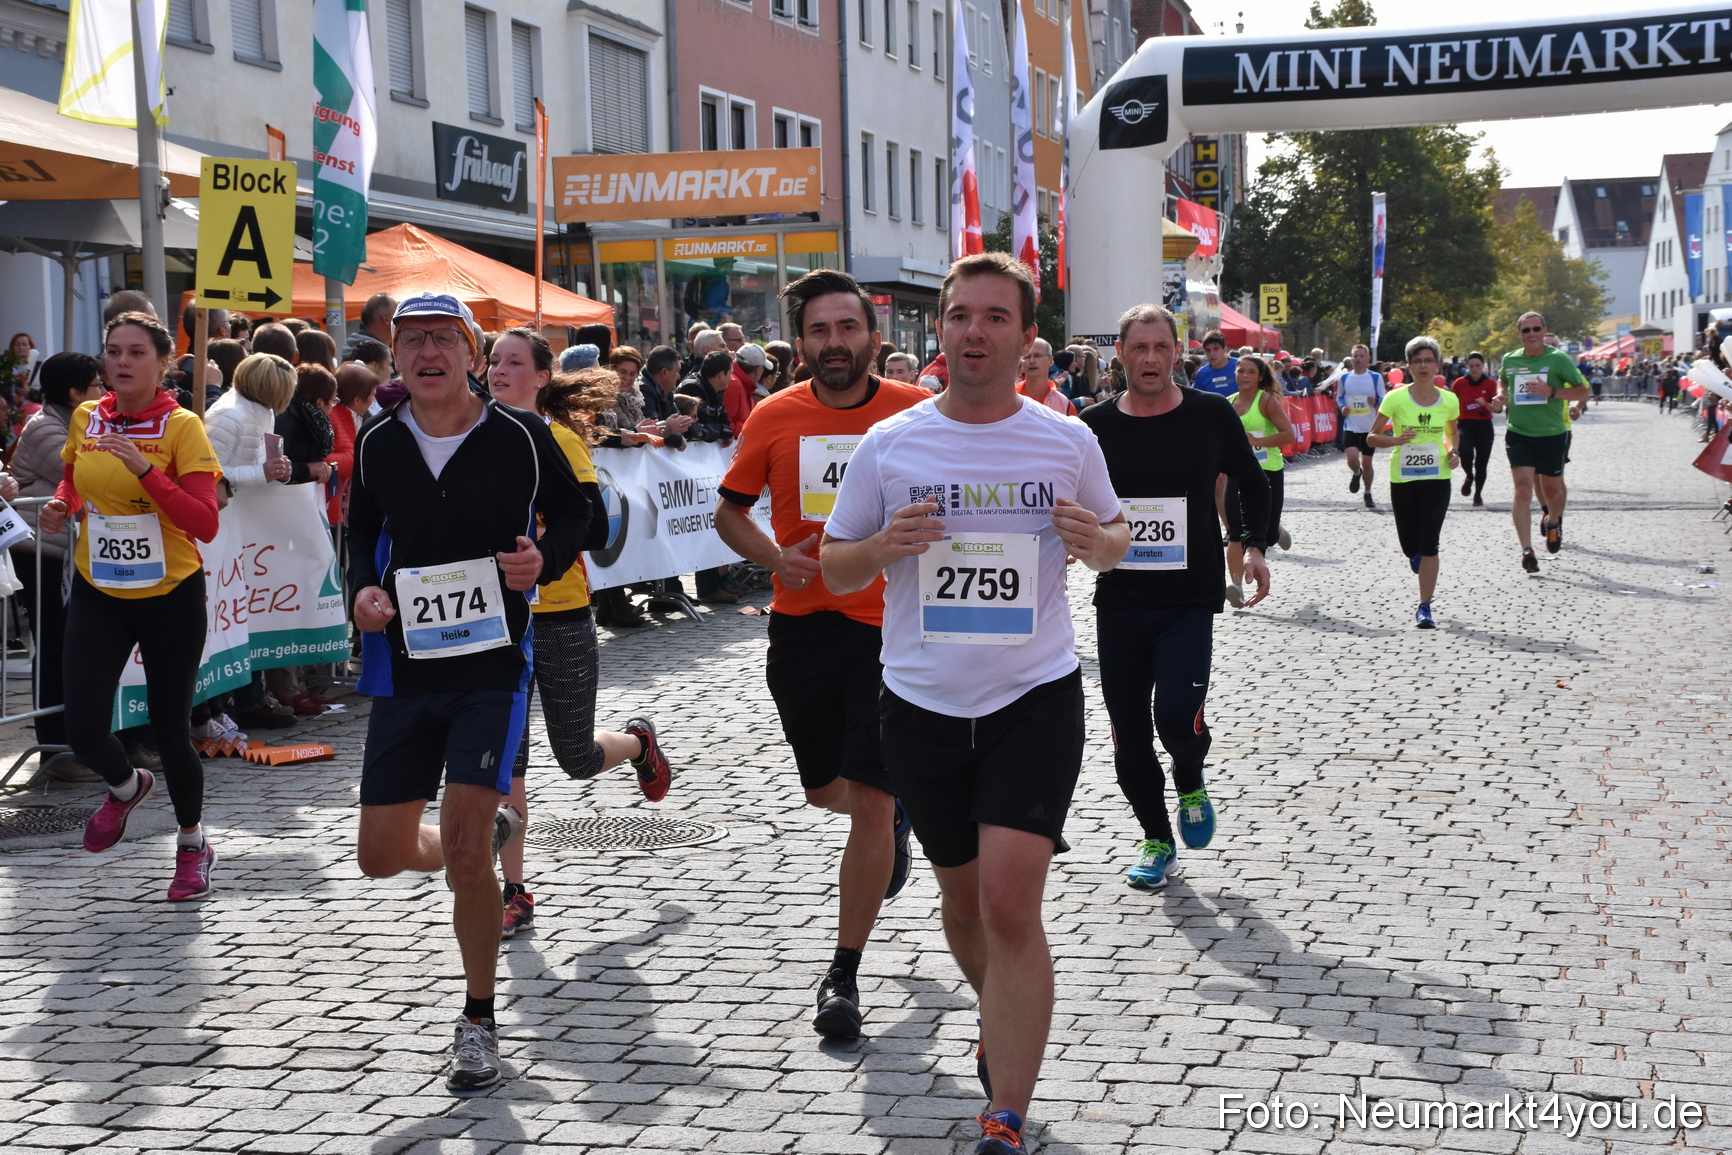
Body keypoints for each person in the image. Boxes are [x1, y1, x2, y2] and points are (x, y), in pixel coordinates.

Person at [821, 252, 1128, 1155]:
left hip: (1032, 695)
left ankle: (1004, 1113)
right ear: (939, 330)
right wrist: (883, 543)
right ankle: (998, 1011)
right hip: (918, 702)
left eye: (997, 317)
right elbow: (834, 565)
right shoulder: (892, 444)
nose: (975, 332)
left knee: (1006, 902)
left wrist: (1093, 537)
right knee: (961, 904)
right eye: (960, 316)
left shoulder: (1064, 440)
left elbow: (1116, 537)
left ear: (1026, 338)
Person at [347, 293, 590, 1092]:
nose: (426, 353)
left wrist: (542, 561)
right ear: (396, 357)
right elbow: (360, 533)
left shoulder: (522, 436)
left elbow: (581, 513)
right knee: (380, 855)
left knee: (460, 857)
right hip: (408, 669)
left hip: (491, 665)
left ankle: (478, 1019)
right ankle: (482, 841)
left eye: (443, 340)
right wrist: (361, 594)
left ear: (472, 354)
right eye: (411, 341)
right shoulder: (379, 442)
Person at [714, 269, 928, 1040]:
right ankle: (897, 816)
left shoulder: (915, 413)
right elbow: (728, 513)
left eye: (847, 328)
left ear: (874, 336)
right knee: (824, 790)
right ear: (799, 342)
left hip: (892, 629)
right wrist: (775, 558)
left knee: (866, 800)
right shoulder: (775, 415)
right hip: (803, 628)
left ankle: (843, 970)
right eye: (819, 331)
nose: (834, 343)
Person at [485, 330, 673, 938]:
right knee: (502, 761)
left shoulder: (560, 438)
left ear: (542, 377)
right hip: (495, 623)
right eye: (492, 361)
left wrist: (541, 547)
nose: (499, 370)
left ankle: (639, 743)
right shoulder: (471, 439)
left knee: (577, 757)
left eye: (514, 361)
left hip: (560, 614)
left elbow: (592, 522)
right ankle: (514, 890)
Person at [1080, 304, 1271, 892]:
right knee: (1128, 729)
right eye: (1138, 348)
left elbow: (1253, 480)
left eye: (1161, 348)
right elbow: (1069, 492)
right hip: (1121, 597)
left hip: (1189, 598)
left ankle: (1190, 774)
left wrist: (1255, 545)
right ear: (1120, 353)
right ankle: (1156, 838)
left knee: (1176, 723)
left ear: (1176, 352)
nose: (1150, 359)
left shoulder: (1210, 414)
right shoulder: (1094, 424)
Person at [37, 312, 224, 900]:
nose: (120, 362)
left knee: (171, 731)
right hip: (101, 587)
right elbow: (72, 478)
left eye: (136, 352)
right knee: (84, 727)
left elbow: (205, 522)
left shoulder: (182, 426)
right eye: (112, 351)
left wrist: (145, 470)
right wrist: (61, 506)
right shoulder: (89, 418)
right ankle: (124, 787)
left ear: (162, 362)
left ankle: (192, 845)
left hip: (170, 592)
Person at [9, 352, 108, 771]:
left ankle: (83, 739)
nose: (105, 393)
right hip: (43, 555)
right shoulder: (47, 428)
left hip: (71, 552)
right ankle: (55, 745)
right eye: (97, 387)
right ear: (74, 393)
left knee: (76, 646)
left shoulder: (75, 422)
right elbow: (92, 471)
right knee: (53, 647)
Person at [1368, 336, 1460, 627]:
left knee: (1430, 541)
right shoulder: (1395, 398)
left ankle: (1425, 607)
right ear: (1408, 366)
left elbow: (1451, 435)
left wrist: (1453, 452)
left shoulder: (1449, 399)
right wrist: (1396, 439)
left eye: (1428, 360)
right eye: (1417, 361)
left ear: (1437, 365)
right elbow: (1372, 437)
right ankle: (1416, 554)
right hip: (1404, 478)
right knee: (1411, 545)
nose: (1423, 366)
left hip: (1438, 477)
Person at [1496, 311, 1589, 571]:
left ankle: (1553, 522)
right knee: (1523, 490)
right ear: (1519, 334)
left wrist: (1553, 392)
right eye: (1526, 330)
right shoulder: (1510, 359)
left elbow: (1583, 390)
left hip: (1552, 433)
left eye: (1536, 329)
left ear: (1543, 330)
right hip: (1519, 433)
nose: (1531, 334)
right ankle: (1527, 550)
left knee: (1553, 491)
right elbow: (1503, 379)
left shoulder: (1558, 359)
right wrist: (1501, 395)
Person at [1222, 355, 1295, 607]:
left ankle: (1276, 531)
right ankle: (1236, 586)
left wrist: (1255, 441)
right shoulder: (1228, 404)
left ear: (1260, 376)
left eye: (1250, 372)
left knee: (1267, 536)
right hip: (1238, 474)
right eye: (1240, 371)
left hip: (1267, 472)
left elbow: (1288, 434)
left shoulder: (1266, 401)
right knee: (1234, 532)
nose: (1243, 375)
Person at [1336, 344, 1386, 508]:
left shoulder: (1375, 377)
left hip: (1369, 427)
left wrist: (1376, 401)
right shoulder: (1344, 378)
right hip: (1350, 425)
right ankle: (1356, 473)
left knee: (1367, 463)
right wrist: (1342, 407)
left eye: (1360, 356)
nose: (1357, 359)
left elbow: (1383, 399)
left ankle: (1368, 492)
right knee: (1351, 458)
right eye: (1354, 356)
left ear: (1367, 359)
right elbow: (1340, 397)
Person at [1449, 352, 1500, 506]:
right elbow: (1451, 402)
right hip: (1465, 423)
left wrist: (1485, 404)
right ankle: (1469, 476)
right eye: (1471, 366)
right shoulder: (1459, 383)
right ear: (1467, 367)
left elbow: (1497, 409)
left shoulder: (1490, 383)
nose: (1475, 369)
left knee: (1481, 463)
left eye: (1478, 366)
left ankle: (1478, 494)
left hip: (1484, 425)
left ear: (1482, 366)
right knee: (1465, 453)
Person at [1016, 339, 1076, 415]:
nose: (1031, 361)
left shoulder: (1065, 404)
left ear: (1051, 360)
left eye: (1037, 356)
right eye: (1027, 357)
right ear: (1021, 362)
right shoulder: (1009, 398)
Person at [1191, 330, 1237, 398]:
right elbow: (1197, 400)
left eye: (1216, 349)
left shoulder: (1239, 366)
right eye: (1208, 350)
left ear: (1224, 349)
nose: (1211, 354)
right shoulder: (1201, 373)